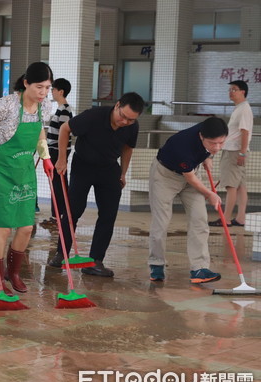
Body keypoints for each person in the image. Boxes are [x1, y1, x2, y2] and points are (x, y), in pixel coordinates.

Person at [0, 61, 54, 295]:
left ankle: (13, 273)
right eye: (39, 87)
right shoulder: (6, 105)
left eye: (47, 88)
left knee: (26, 227)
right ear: (26, 83)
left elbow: (39, 131)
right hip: (1, 170)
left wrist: (45, 157)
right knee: (3, 228)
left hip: (24, 170)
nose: (43, 93)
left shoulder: (44, 107)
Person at [50, 92, 145, 277]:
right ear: (117, 105)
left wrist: (123, 172)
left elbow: (128, 147)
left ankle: (95, 261)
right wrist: (62, 159)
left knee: (108, 215)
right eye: (123, 117)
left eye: (131, 120)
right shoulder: (94, 116)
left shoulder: (133, 126)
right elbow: (64, 129)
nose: (125, 122)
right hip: (83, 165)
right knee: (72, 211)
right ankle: (61, 254)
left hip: (109, 168)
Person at [149, 117, 228, 283]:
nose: (218, 147)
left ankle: (199, 269)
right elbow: (191, 179)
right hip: (166, 176)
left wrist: (208, 157)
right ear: (201, 137)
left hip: (192, 171)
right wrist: (210, 194)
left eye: (221, 142)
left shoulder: (209, 128)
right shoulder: (182, 146)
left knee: (200, 220)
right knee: (161, 222)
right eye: (213, 143)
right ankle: (156, 265)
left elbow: (198, 165)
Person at [209, 80, 254, 228]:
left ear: (243, 92)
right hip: (236, 151)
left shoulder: (244, 109)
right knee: (240, 186)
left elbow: (244, 132)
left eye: (234, 89)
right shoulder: (240, 108)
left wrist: (241, 153)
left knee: (231, 186)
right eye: (230, 89)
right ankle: (240, 218)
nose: (231, 92)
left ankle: (226, 219)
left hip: (234, 152)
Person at [41, 78, 73, 228]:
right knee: (56, 184)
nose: (51, 92)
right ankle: (57, 216)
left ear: (60, 91)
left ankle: (59, 216)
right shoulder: (60, 109)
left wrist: (61, 157)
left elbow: (64, 134)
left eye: (53, 89)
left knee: (59, 184)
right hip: (53, 150)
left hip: (58, 152)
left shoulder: (65, 109)